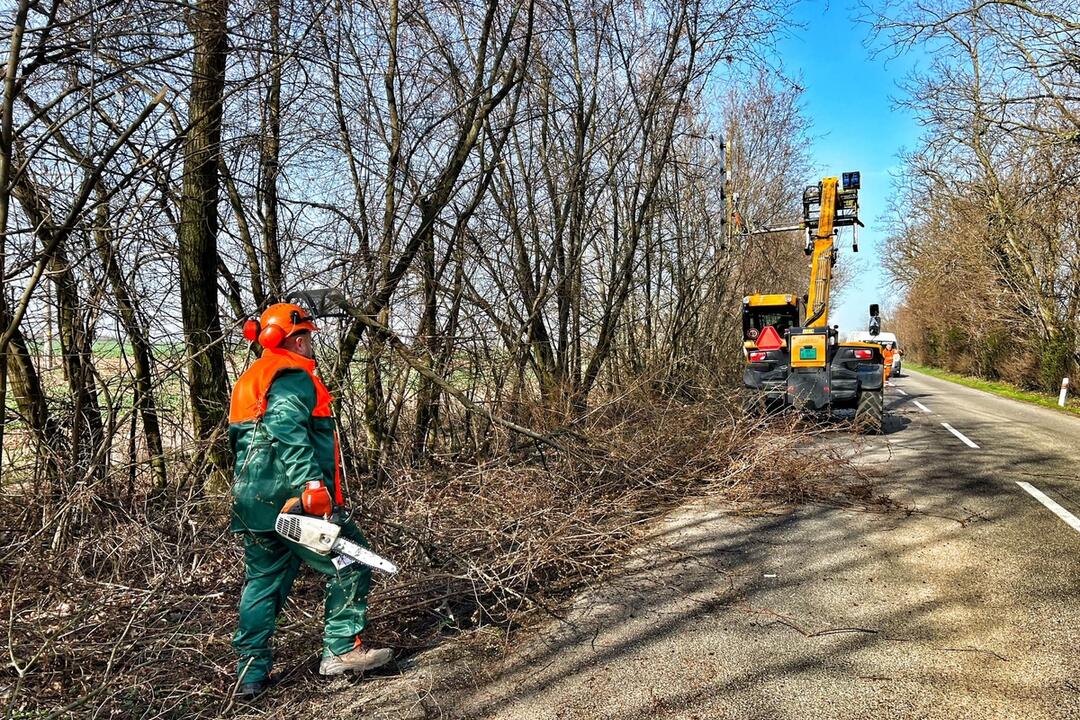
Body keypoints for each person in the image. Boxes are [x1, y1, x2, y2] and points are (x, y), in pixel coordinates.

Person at [228, 303, 392, 700]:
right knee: (351, 562)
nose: (311, 343)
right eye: (308, 337)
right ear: (296, 338)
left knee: (263, 585)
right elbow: (286, 429)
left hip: (254, 501)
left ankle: (250, 672)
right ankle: (341, 650)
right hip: (294, 501)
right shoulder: (291, 375)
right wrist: (312, 485)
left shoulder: (253, 376)